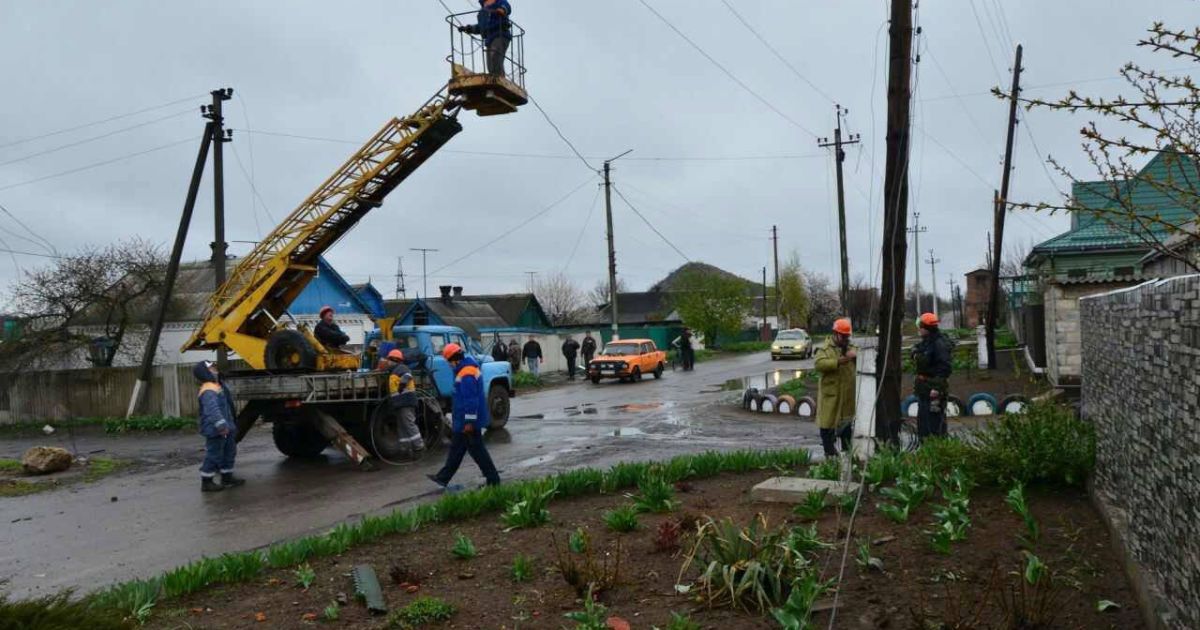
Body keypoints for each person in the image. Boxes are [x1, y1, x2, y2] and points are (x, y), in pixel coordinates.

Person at [427, 343, 501, 488]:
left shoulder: (466, 373)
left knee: (478, 452)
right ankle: (443, 477)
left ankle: (493, 480)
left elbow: (471, 400)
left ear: (455, 359)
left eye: (448, 361)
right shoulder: (465, 370)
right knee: (457, 450)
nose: (449, 365)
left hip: (467, 423)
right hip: (462, 421)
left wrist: (469, 422)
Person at [194, 360, 245, 492]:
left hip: (227, 426)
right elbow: (212, 410)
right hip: (216, 428)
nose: (215, 370)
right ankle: (207, 481)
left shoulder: (217, 385)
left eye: (214, 367)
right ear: (205, 372)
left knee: (229, 451)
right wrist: (221, 425)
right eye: (211, 368)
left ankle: (227, 477)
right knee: (214, 454)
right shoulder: (209, 389)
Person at [813, 318, 857, 458]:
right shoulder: (824, 349)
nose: (845, 339)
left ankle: (846, 454)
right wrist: (837, 362)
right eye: (843, 336)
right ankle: (829, 453)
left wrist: (855, 357)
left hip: (847, 395)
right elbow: (819, 364)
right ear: (835, 334)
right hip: (831, 395)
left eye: (847, 336)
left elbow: (863, 359)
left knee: (846, 425)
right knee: (827, 425)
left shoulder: (851, 348)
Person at [911, 312, 954, 441]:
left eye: (920, 326)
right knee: (924, 422)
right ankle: (926, 448)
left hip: (933, 390)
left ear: (926, 328)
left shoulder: (939, 344)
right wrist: (914, 352)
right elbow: (918, 349)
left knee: (934, 423)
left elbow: (945, 368)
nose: (919, 329)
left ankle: (936, 448)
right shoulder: (928, 341)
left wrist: (936, 388)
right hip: (925, 389)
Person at [382, 349, 425, 458]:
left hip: (406, 402)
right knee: (402, 426)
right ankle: (405, 448)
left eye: (389, 360)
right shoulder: (393, 371)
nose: (387, 362)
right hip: (400, 403)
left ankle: (419, 447)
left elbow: (407, 375)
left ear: (394, 360)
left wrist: (402, 384)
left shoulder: (401, 368)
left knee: (409, 424)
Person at [457, 0, 512, 77]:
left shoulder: (499, 2)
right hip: (489, 39)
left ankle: (498, 78)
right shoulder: (483, 13)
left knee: (495, 56)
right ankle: (494, 78)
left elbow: (507, 6)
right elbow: (480, 27)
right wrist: (468, 28)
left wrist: (503, 9)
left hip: (500, 35)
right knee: (490, 64)